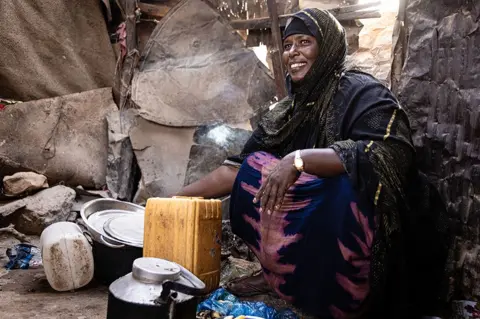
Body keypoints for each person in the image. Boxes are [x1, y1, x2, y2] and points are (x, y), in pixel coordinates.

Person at [178, 8, 450, 319]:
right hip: (326, 226)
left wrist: (299, 159)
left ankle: (348, 296)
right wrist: (173, 200)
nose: (293, 52)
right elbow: (235, 169)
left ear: (328, 46)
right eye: (288, 44)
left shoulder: (362, 92)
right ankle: (285, 279)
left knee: (343, 187)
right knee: (255, 169)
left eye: (304, 42)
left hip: (390, 236)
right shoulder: (288, 112)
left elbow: (393, 154)